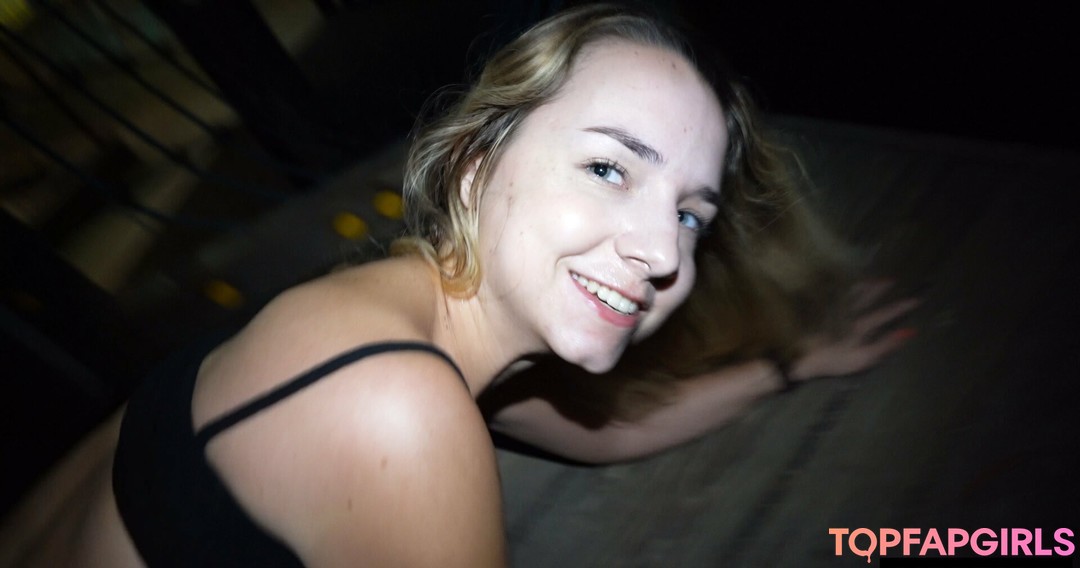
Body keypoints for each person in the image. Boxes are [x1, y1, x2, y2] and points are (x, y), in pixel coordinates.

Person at [0, 4, 915, 567]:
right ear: (477, 165)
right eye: (608, 168)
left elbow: (604, 431)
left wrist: (790, 365)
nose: (662, 253)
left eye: (690, 215)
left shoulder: (391, 308)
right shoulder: (398, 405)